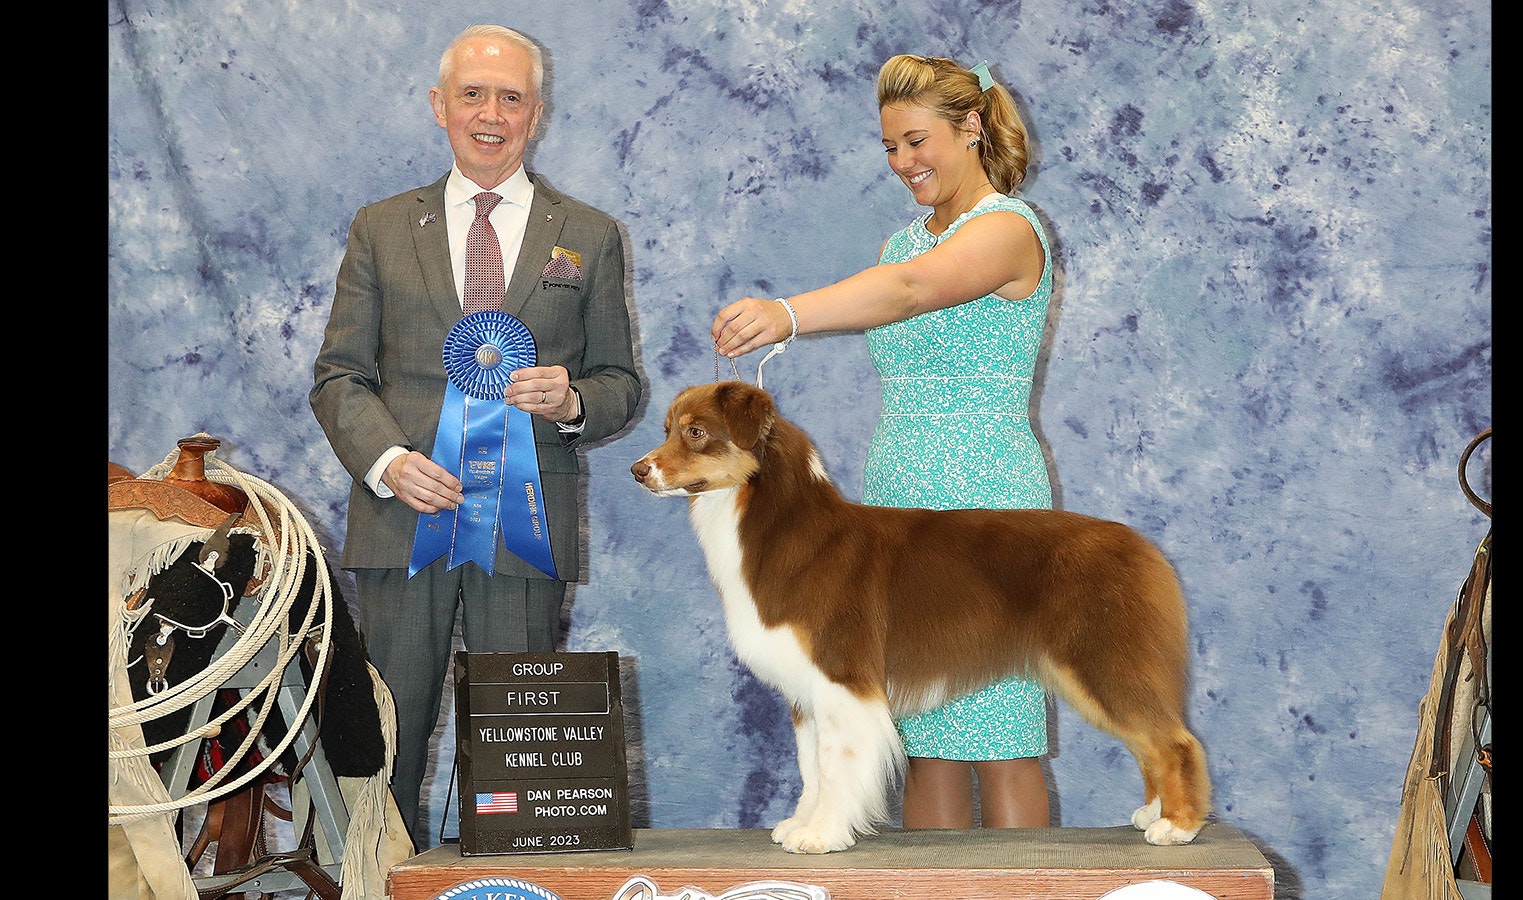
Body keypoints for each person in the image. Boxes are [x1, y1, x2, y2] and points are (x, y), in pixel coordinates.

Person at [310, 24, 641, 850]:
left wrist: (571, 401)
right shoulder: (381, 227)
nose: (491, 114)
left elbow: (621, 386)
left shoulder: (589, 234)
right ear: (439, 106)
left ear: (537, 111)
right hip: (400, 521)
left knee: (522, 752)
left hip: (524, 524)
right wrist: (389, 462)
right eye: (473, 94)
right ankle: (376, 878)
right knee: (385, 738)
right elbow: (338, 377)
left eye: (511, 97)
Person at [712, 54, 1054, 829]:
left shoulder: (1008, 229)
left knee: (1003, 735)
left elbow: (911, 293)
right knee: (921, 736)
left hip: (987, 508)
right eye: (891, 148)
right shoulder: (901, 241)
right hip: (897, 501)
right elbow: (899, 279)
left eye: (917, 141)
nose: (903, 163)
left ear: (970, 128)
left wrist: (787, 313)